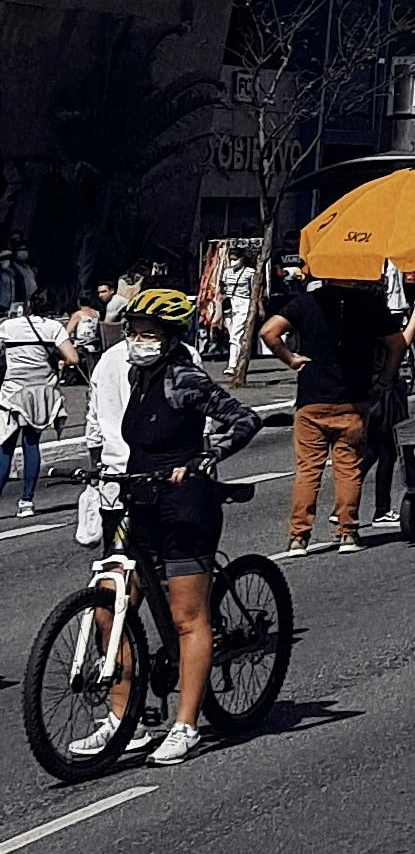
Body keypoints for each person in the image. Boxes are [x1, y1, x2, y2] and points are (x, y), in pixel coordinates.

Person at [92, 286, 261, 767]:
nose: (139, 341)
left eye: (149, 334)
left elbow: (243, 418)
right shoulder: (135, 376)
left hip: (186, 504)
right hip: (140, 499)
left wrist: (208, 457)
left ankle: (185, 725)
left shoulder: (183, 378)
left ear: (169, 338)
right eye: (134, 332)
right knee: (111, 602)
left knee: (188, 616)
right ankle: (122, 717)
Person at [263, 271, 401, 557]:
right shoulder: (369, 304)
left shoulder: (306, 302)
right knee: (348, 468)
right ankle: (348, 533)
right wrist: (385, 379)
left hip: (312, 398)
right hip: (353, 400)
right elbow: (397, 344)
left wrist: (290, 358)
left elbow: (269, 332)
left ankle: (298, 538)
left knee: (308, 471)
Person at [0, 286, 62, 514]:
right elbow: (73, 357)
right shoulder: (54, 327)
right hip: (39, 393)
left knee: (5, 446)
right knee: (31, 445)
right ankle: (27, 501)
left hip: (12, 392)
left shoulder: (8, 326)